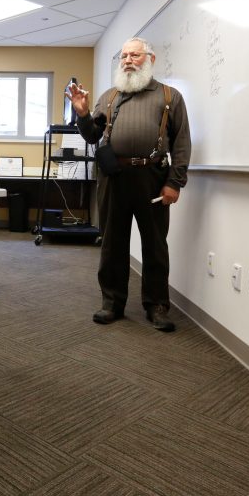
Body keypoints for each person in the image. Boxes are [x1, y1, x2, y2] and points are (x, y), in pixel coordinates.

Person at [66, 37, 191, 332]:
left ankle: (156, 305)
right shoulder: (109, 96)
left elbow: (182, 144)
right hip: (114, 179)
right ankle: (112, 302)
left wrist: (175, 182)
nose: (127, 61)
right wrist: (83, 114)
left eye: (134, 55)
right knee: (112, 243)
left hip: (153, 180)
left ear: (150, 59)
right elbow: (92, 136)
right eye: (124, 56)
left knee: (155, 245)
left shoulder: (170, 97)